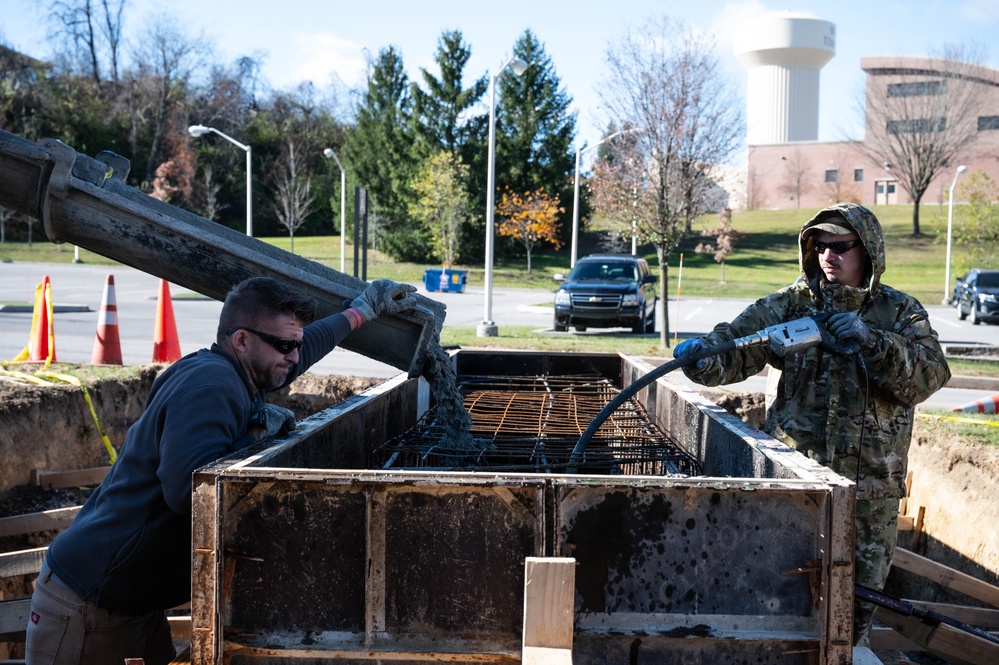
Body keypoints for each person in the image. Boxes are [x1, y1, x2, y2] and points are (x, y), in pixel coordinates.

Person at [26, 276, 417, 664]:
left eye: (294, 345)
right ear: (242, 340)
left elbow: (305, 345)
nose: (294, 357)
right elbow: (188, 491)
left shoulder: (242, 371)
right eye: (284, 346)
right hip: (91, 603)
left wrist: (361, 311)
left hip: (132, 603)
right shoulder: (211, 387)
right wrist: (258, 434)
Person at [673, 202, 950, 646]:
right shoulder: (790, 305)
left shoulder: (899, 313)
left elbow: (930, 376)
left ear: (869, 251)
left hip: (868, 496)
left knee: (852, 613)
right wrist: (701, 357)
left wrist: (872, 342)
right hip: (796, 485)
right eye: (819, 245)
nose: (828, 255)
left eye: (841, 246)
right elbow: (738, 345)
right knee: (779, 597)